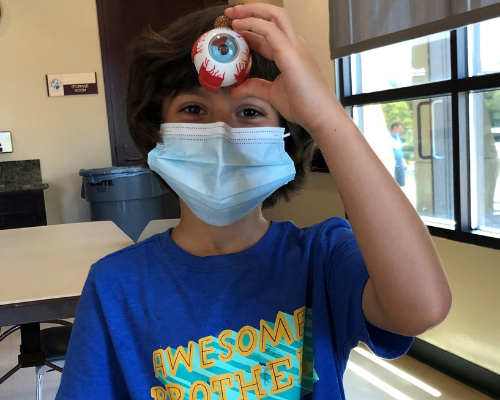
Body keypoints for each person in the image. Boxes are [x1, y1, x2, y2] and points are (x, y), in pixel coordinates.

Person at [56, 4, 452, 400]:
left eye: (249, 111)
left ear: (284, 137)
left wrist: (327, 117)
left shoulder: (322, 257)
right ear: (157, 130)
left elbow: (421, 308)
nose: (221, 132)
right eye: (193, 109)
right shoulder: (114, 286)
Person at [390, 121, 408, 187]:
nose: (402, 129)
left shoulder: (398, 137)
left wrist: (404, 162)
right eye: (400, 128)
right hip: (392, 165)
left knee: (401, 185)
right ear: (395, 127)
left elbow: (400, 151)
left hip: (400, 165)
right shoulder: (387, 136)